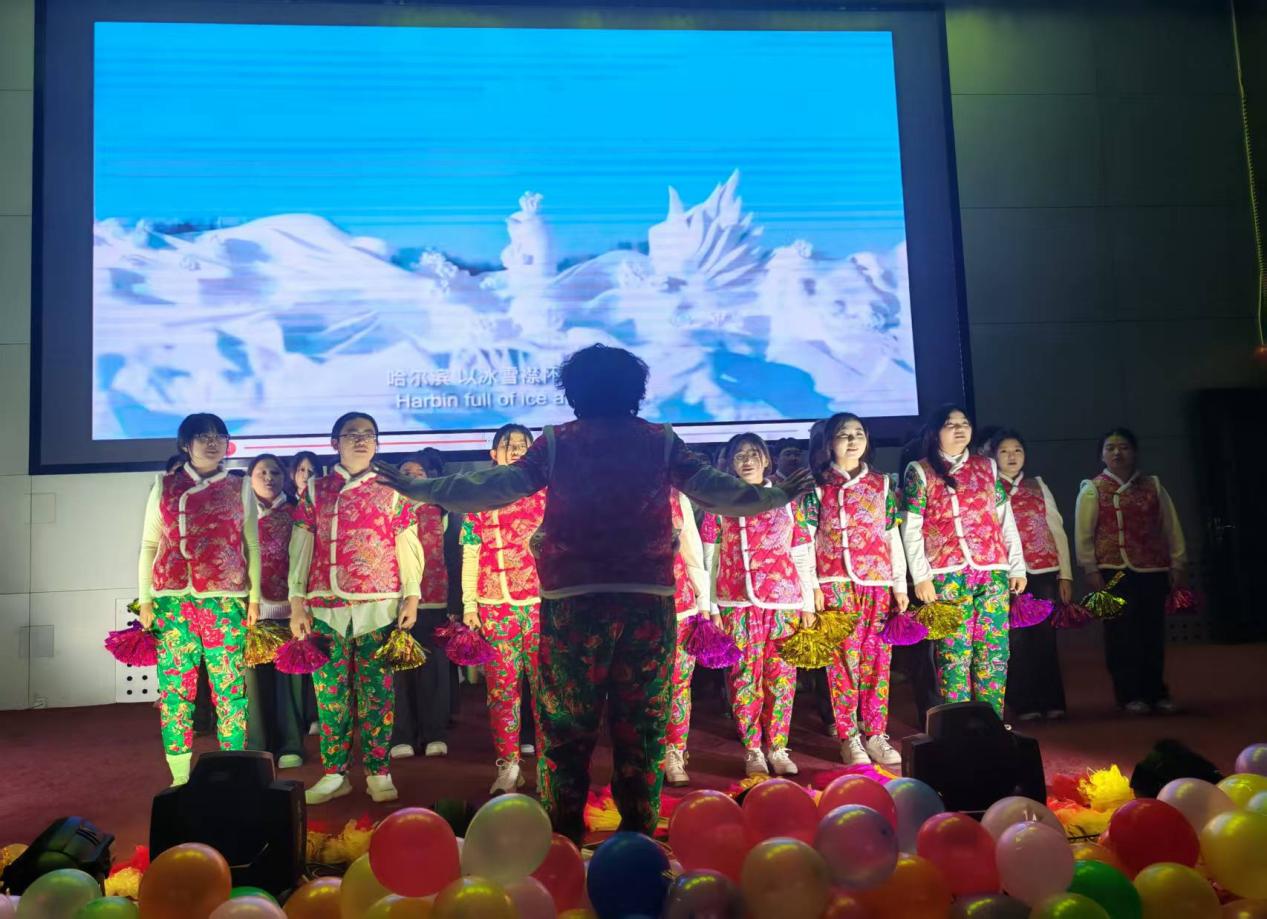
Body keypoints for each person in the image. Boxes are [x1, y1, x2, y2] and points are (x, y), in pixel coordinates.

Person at [375, 344, 813, 842]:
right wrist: (776, 495)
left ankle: (563, 835)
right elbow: (717, 490)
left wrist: (427, 489)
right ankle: (638, 834)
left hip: (573, 604)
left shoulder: (558, 442)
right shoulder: (660, 440)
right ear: (636, 390)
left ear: (573, 392)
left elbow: (497, 485)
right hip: (645, 601)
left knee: (565, 727)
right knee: (642, 725)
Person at [288, 412, 423, 805]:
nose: (362, 440)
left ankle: (379, 771)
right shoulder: (316, 490)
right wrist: (297, 601)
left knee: (378, 694)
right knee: (331, 696)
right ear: (335, 443)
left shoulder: (392, 489)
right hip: (325, 607)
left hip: (378, 607)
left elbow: (408, 544)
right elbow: (301, 547)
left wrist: (412, 596)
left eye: (369, 434)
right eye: (352, 434)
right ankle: (335, 773)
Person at [137, 413, 261, 786]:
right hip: (173, 600)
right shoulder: (164, 485)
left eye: (219, 436)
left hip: (226, 600)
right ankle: (179, 777)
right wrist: (146, 599)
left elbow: (252, 544)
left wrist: (254, 598)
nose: (212, 443)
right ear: (185, 444)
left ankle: (233, 770)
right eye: (203, 436)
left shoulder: (239, 486)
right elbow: (149, 544)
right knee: (176, 690)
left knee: (230, 688)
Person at [901, 405, 1027, 718]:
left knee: (994, 650)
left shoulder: (987, 466)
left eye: (964, 423)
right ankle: (960, 723)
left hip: (991, 569)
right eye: (950, 424)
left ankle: (991, 721)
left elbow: (1004, 518)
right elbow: (912, 527)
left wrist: (1016, 565)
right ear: (935, 432)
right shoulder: (920, 470)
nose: (960, 429)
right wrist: (921, 576)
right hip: (946, 573)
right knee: (953, 653)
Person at [800, 413, 908, 766]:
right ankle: (850, 737)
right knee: (843, 661)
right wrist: (812, 586)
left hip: (876, 581)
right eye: (843, 434)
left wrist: (899, 583)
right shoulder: (817, 486)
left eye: (858, 433)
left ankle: (876, 734)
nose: (852, 440)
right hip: (835, 582)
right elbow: (805, 540)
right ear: (829, 442)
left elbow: (891, 535)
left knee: (878, 660)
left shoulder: (881, 484)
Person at [706, 433, 816, 777]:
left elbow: (801, 552)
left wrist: (808, 603)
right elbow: (710, 557)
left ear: (767, 460)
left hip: (783, 601)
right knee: (743, 677)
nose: (748, 460)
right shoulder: (718, 503)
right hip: (736, 600)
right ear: (730, 463)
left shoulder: (787, 500)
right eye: (740, 456)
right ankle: (753, 749)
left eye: (754, 454)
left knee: (781, 677)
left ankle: (778, 746)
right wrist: (711, 607)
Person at [459, 424, 548, 794]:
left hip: (542, 605)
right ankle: (509, 766)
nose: (515, 449)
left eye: (523, 444)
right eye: (507, 445)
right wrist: (469, 604)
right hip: (495, 606)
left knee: (547, 692)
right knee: (501, 691)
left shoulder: (548, 494)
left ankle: (549, 767)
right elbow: (471, 552)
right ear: (493, 454)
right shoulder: (480, 496)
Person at [1074, 428, 1186, 715]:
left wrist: (1177, 562)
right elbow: (1084, 534)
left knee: (1152, 632)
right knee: (1121, 634)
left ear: (1134, 452)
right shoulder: (1093, 488)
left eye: (1123, 447)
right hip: (1113, 570)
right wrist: (1090, 568)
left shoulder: (1153, 486)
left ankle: (1155, 691)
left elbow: (1170, 527)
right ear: (1101, 455)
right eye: (1110, 448)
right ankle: (1128, 694)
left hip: (1152, 568)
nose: (1117, 453)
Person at [986, 429, 1071, 722]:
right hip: (1006, 575)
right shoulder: (988, 486)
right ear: (993, 456)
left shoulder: (1038, 485)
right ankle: (1024, 703)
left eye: (1017, 450)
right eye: (1004, 451)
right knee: (1015, 641)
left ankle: (1052, 700)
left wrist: (1066, 575)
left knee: (1045, 638)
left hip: (1042, 570)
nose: (1012, 457)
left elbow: (1056, 528)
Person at [390, 449, 456, 762]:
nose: (413, 478)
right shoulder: (385, 507)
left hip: (434, 599)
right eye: (407, 473)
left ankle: (434, 733)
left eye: (420, 473)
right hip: (393, 601)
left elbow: (454, 556)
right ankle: (401, 734)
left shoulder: (442, 509)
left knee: (433, 669)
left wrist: (456, 602)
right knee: (397, 669)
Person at [244, 453, 307, 768]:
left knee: (289, 683)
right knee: (253, 685)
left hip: (289, 610)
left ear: (285, 477)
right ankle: (257, 745)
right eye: (262, 472)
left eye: (275, 472)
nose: (269, 478)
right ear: (250, 477)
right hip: (252, 611)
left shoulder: (297, 512)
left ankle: (290, 745)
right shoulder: (241, 512)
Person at [663, 489, 710, 787]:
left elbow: (692, 552)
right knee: (637, 687)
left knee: (679, 684)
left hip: (679, 605)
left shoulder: (675, 497)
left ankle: (675, 752)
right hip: (632, 607)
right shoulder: (610, 494)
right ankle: (644, 755)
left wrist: (703, 603)